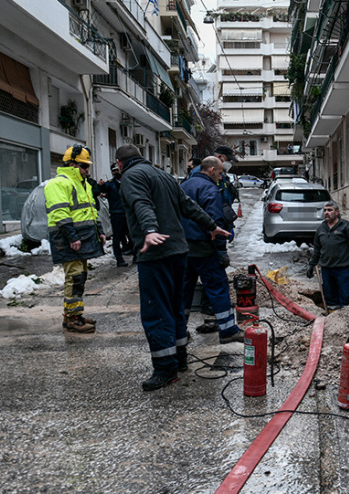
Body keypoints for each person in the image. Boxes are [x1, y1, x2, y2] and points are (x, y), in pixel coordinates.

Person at [116, 144, 230, 391]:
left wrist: (149, 230)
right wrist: (211, 225)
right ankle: (179, 359)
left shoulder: (131, 177)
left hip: (156, 252)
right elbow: (187, 205)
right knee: (175, 306)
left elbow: (141, 204)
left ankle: (165, 369)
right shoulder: (163, 175)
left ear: (120, 164)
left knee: (156, 310)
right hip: (179, 251)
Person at [44, 145, 106, 334]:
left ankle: (74, 315)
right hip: (68, 239)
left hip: (81, 238)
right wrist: (72, 236)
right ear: (72, 164)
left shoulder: (82, 183)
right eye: (83, 166)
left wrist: (100, 231)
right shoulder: (58, 183)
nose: (87, 170)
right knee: (74, 277)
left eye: (88, 166)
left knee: (80, 276)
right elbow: (60, 213)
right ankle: (72, 318)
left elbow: (91, 211)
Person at [180, 157, 242, 344]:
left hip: (183, 248)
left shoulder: (183, 186)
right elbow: (216, 221)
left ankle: (180, 331)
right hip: (205, 249)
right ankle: (228, 330)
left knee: (183, 290)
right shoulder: (210, 189)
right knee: (217, 287)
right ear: (212, 170)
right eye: (220, 172)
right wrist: (221, 250)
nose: (221, 176)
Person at [306, 201, 349, 311]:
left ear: (337, 212)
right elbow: (317, 249)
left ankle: (348, 319)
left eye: (330, 210)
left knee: (346, 297)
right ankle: (333, 321)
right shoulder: (321, 229)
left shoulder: (345, 226)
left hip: (342, 269)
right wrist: (311, 265)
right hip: (326, 269)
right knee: (330, 298)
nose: (326, 212)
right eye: (325, 210)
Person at [98, 165, 133, 267]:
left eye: (117, 170)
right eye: (114, 171)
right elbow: (101, 190)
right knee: (117, 237)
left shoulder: (128, 182)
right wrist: (101, 186)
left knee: (132, 235)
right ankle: (119, 258)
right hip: (116, 214)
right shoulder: (110, 184)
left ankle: (135, 254)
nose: (116, 172)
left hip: (127, 213)